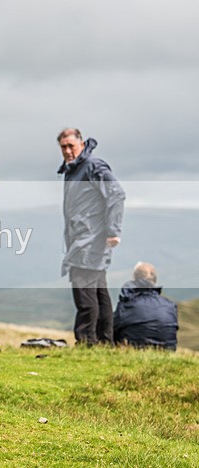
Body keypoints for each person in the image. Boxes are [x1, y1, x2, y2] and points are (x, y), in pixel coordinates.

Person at [57, 128, 124, 345]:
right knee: (98, 292)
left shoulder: (92, 166)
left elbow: (116, 193)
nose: (67, 151)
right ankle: (105, 341)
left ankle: (86, 342)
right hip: (84, 239)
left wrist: (113, 231)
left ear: (82, 144)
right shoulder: (73, 169)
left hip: (89, 240)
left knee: (84, 292)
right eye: (63, 147)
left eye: (71, 146)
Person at [114, 262, 178, 350]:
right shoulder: (170, 306)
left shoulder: (127, 305)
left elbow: (111, 328)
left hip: (136, 351)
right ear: (155, 280)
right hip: (168, 351)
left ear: (134, 279)